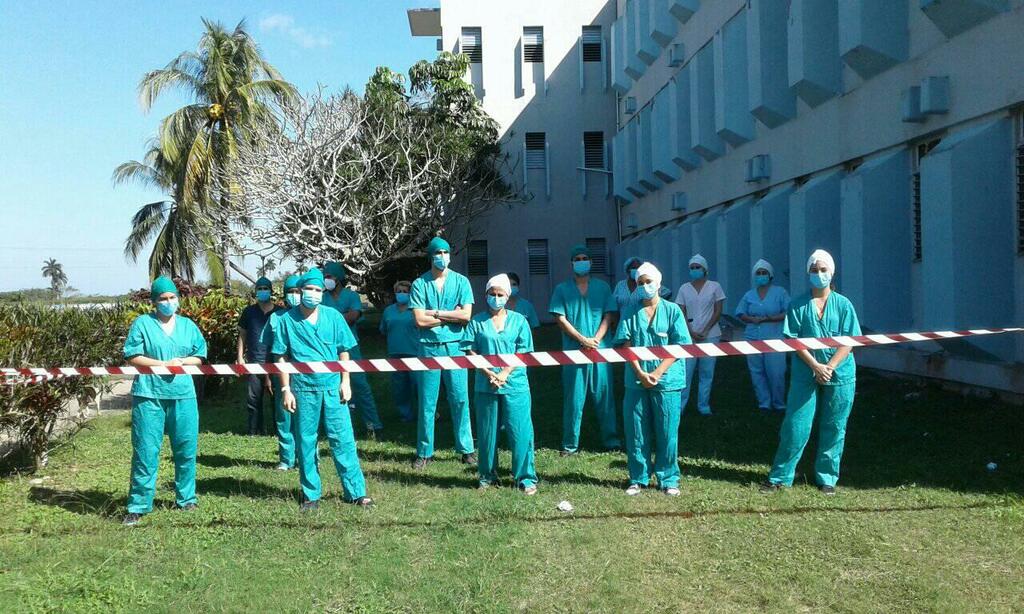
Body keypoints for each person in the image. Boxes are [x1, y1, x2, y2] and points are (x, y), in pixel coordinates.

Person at [270, 268, 373, 511]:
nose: (313, 294)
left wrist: (345, 382)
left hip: (332, 387)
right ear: (301, 290)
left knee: (343, 438)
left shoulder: (333, 317)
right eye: (309, 289)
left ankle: (356, 492)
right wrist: (285, 389)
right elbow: (282, 357)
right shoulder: (286, 321)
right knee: (306, 441)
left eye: (318, 290)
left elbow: (344, 350)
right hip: (304, 388)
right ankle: (310, 495)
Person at [761, 249, 861, 496]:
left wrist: (830, 367)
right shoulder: (798, 304)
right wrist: (816, 366)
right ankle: (780, 476)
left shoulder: (844, 305)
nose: (819, 274)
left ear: (832, 272)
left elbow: (849, 340)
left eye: (823, 269)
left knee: (835, 424)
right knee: (796, 424)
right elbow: (793, 340)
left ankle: (827, 477)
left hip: (840, 373)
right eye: (814, 270)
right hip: (806, 372)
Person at [121, 276, 208, 527]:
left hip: (183, 395)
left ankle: (186, 499)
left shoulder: (188, 326)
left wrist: (181, 362)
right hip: (149, 395)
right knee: (146, 451)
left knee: (186, 448)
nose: (168, 302)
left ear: (178, 300)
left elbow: (199, 355)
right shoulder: (142, 324)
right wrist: (161, 365)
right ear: (154, 302)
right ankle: (138, 505)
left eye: (172, 298)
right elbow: (133, 355)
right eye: (163, 299)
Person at [614, 263, 691, 496]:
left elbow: (679, 345)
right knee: (636, 428)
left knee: (667, 430)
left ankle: (669, 478)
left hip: (667, 380)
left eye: (649, 281)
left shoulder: (673, 311)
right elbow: (625, 344)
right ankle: (638, 477)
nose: (645, 286)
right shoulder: (629, 311)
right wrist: (639, 372)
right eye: (640, 283)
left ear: (659, 283)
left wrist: (658, 373)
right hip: (636, 379)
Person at [462, 274, 538, 494]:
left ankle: (525, 477)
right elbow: (470, 349)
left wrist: (505, 372)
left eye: (500, 294)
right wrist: (488, 373)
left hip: (515, 383)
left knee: (520, 430)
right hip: (486, 385)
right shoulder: (477, 322)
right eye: (492, 294)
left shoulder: (519, 321)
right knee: (487, 432)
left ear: (508, 295)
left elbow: (523, 350)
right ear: (486, 295)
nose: (496, 298)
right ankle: (487, 476)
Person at [408, 236, 476, 469]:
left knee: (460, 399)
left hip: (455, 347)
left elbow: (466, 316)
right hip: (428, 348)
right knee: (427, 402)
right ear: (431, 256)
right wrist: (449, 315)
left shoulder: (461, 282)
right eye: (438, 253)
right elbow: (419, 320)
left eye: (446, 252)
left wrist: (434, 314)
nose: (442, 257)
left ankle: (466, 449)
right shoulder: (419, 284)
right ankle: (424, 451)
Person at [549, 244, 620, 455]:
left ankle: (611, 440)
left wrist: (596, 339)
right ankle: (570, 444)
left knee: (604, 396)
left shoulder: (603, 287)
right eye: (577, 258)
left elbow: (609, 314)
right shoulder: (562, 289)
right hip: (574, 351)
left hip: (600, 349)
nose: (581, 261)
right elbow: (560, 318)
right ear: (572, 263)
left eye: (584, 258)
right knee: (573, 398)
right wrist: (581, 339)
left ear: (591, 261)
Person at [322, 261, 383, 438]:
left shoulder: (351, 296)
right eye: (325, 277)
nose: (327, 280)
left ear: (339, 279)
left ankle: (373, 424)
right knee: (331, 386)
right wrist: (341, 317)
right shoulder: (323, 298)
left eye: (330, 277)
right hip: (328, 348)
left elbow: (353, 316)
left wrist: (331, 319)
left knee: (360, 384)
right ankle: (336, 428)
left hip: (350, 346)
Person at [735, 259, 791, 413]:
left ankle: (779, 403)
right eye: (758, 273)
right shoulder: (749, 294)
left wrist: (770, 318)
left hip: (774, 336)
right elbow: (740, 312)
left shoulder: (780, 292)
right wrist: (751, 319)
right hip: (753, 336)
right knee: (757, 371)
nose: (761, 276)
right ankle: (764, 403)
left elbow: (789, 312)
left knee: (776, 372)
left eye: (763, 273)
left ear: (770, 275)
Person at [674, 254, 725, 416]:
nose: (695, 270)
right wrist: (690, 331)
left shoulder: (715, 286)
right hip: (688, 336)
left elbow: (718, 311)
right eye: (692, 268)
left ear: (705, 270)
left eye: (698, 267)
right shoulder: (684, 288)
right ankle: (680, 407)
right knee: (686, 372)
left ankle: (703, 406)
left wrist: (706, 329)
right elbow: (681, 312)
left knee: (707, 372)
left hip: (711, 335)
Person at [262, 274, 303, 471]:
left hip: (306, 377)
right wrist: (268, 376)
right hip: (282, 375)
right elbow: (270, 351)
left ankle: (306, 457)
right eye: (291, 292)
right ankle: (286, 459)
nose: (294, 296)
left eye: (298, 292)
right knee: (284, 417)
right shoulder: (275, 318)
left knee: (306, 419)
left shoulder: (310, 316)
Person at [236, 276, 285, 435]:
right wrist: (240, 357)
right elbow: (242, 335)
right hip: (253, 361)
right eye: (260, 289)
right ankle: (254, 431)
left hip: (276, 361)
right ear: (256, 292)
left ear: (271, 291)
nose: (263, 291)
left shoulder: (279, 312)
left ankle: (279, 430)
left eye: (266, 289)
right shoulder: (249, 312)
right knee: (253, 399)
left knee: (277, 397)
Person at [379, 280, 419, 423]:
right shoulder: (388, 311)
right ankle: (405, 415)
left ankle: (425, 413)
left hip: (414, 353)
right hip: (395, 353)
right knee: (400, 387)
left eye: (405, 291)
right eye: (399, 291)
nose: (402, 294)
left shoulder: (416, 310)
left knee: (418, 386)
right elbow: (383, 329)